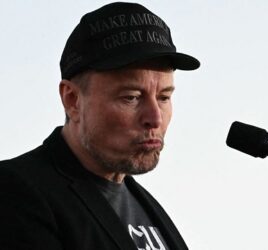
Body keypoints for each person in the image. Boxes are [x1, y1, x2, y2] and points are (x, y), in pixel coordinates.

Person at [0, 2, 199, 250]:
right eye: (131, 97)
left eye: (164, 97)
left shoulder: (144, 206)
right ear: (72, 100)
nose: (155, 118)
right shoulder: (14, 192)